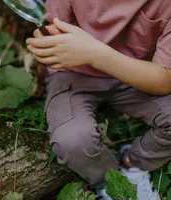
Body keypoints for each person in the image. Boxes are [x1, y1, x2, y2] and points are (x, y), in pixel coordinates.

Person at [26, 0, 171, 199]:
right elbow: (47, 26)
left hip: (138, 74)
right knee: (73, 140)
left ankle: (134, 164)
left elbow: (164, 80)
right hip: (73, 73)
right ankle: (108, 181)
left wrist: (96, 54)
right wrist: (45, 43)